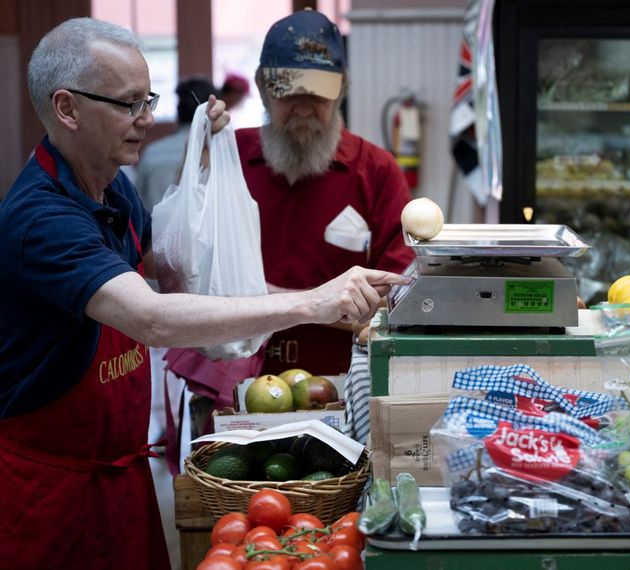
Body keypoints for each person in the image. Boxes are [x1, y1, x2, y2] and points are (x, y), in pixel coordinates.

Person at [0, 17, 408, 570]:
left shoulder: (112, 186)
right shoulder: (41, 219)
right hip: (50, 489)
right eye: (128, 104)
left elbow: (177, 269)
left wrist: (203, 163)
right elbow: (152, 318)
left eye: (148, 99)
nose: (147, 119)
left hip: (118, 468)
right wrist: (312, 302)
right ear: (67, 109)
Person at [238, 9, 415, 376]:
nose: (303, 109)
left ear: (342, 91)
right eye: (288, 93)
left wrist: (271, 299)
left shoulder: (377, 172)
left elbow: (402, 297)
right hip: (230, 384)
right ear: (261, 87)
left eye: (318, 95)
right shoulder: (229, 161)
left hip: (341, 389)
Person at [135, 76, 218, 210]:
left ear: (179, 109)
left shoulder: (152, 152)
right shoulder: (222, 153)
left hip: (155, 229)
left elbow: (137, 201)